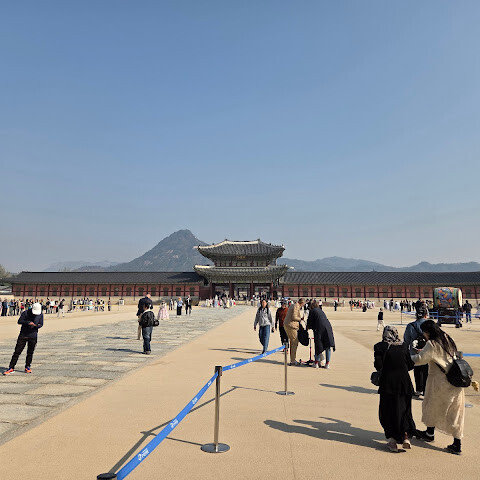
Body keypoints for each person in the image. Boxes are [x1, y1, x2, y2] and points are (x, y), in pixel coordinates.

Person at [412, 320, 465, 455]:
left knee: (431, 405)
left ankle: (429, 433)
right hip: (455, 380)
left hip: (439, 382)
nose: (424, 335)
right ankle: (457, 442)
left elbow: (420, 359)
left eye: (424, 332)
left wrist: (407, 357)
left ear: (428, 332)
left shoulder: (432, 343)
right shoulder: (447, 338)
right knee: (455, 412)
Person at [374, 325, 416, 452]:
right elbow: (410, 365)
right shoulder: (403, 346)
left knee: (388, 411)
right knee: (404, 410)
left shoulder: (380, 347)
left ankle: (392, 441)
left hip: (388, 384)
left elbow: (378, 365)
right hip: (404, 384)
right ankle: (405, 436)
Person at [3, 302, 44, 375]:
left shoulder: (40, 314)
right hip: (23, 335)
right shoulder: (25, 313)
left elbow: (41, 324)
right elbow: (19, 321)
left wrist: (37, 326)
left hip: (33, 335)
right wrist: (28, 323)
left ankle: (27, 366)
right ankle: (11, 367)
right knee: (17, 352)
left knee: (30, 352)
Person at [404, 307, 429, 396]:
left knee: (417, 371)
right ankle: (426, 391)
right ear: (426, 315)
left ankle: (419, 389)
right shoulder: (430, 325)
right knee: (427, 372)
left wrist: (406, 352)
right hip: (427, 352)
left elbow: (406, 341)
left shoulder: (410, 326)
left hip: (415, 352)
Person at [306, 300, 335, 368]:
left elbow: (309, 321)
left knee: (318, 345)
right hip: (328, 328)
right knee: (327, 345)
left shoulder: (312, 311)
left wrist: (307, 328)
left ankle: (316, 363)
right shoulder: (320, 310)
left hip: (319, 329)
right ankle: (327, 364)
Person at [283, 298, 305, 366]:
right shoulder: (296, 306)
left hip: (287, 325)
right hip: (291, 325)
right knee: (295, 342)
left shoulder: (293, 305)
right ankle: (293, 360)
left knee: (292, 342)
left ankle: (292, 359)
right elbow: (294, 317)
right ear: (302, 303)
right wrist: (301, 319)